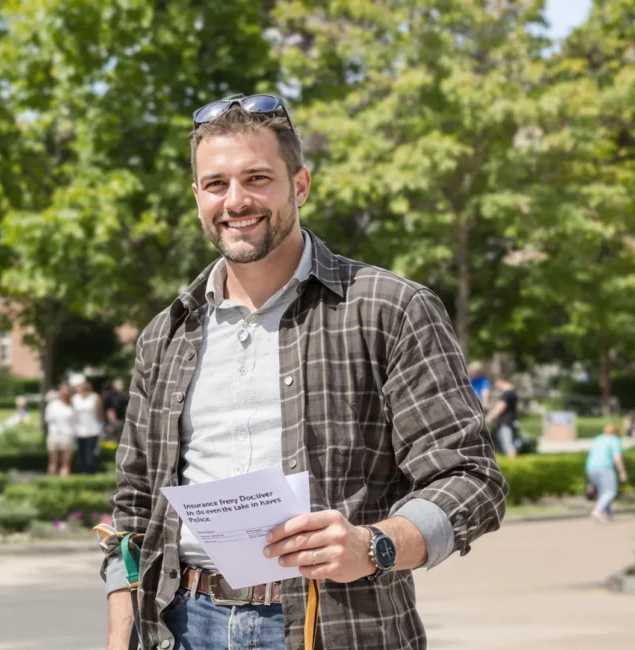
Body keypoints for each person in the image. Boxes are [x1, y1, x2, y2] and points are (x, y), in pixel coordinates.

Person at [102, 94, 507, 650]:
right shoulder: (166, 334)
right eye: (216, 184)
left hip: (338, 626)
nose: (235, 201)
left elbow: (472, 479)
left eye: (257, 178)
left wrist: (374, 546)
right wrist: (122, 627)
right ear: (197, 197)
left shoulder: (389, 308)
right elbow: (132, 506)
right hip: (182, 627)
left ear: (300, 185)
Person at [585, 423, 628, 522]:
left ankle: (607, 513)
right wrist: (622, 472)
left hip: (590, 467)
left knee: (602, 492)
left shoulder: (598, 439)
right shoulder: (614, 440)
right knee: (610, 491)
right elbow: (617, 457)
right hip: (605, 467)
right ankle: (597, 510)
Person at [44, 383, 78, 476]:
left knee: (62, 464)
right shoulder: (53, 405)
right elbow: (48, 419)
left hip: (64, 435)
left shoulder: (71, 406)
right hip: (58, 435)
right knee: (56, 464)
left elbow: (75, 421)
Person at [484, 376, 519, 459]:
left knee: (508, 445)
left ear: (501, 381)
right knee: (508, 444)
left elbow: (500, 407)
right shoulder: (513, 392)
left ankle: (513, 464)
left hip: (505, 423)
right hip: (509, 422)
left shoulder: (507, 393)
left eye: (496, 384)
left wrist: (488, 419)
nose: (496, 387)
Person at [72, 381, 103, 474]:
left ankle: (90, 472)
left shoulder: (95, 397)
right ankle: (81, 471)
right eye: (82, 389)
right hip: (78, 430)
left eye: (86, 389)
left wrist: (100, 428)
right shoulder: (75, 398)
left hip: (92, 430)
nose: (84, 391)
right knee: (80, 453)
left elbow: (100, 414)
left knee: (90, 454)